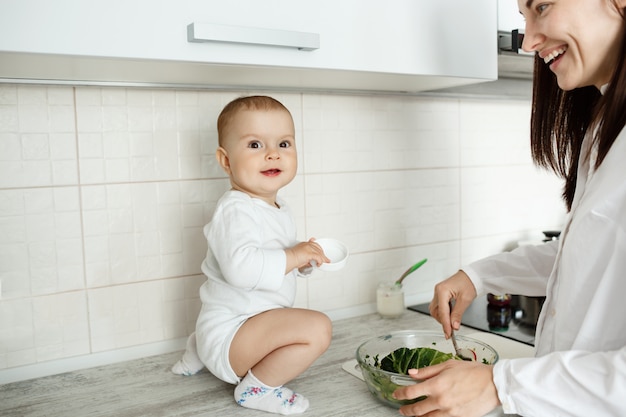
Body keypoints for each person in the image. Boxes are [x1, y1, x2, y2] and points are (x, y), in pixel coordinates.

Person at [393, 0, 626, 416]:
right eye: (523, 18)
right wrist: (477, 276)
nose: (529, 40)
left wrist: (500, 385)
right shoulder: (605, 127)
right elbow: (593, 254)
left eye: (542, 6)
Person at [171, 95, 332, 415]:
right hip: (232, 335)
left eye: (284, 144)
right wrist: (293, 255)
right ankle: (257, 389)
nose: (273, 153)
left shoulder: (276, 207)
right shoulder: (234, 210)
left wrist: (303, 261)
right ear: (226, 160)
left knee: (301, 321)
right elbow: (242, 270)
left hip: (238, 325)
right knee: (318, 329)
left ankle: (198, 348)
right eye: (255, 145)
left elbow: (268, 259)